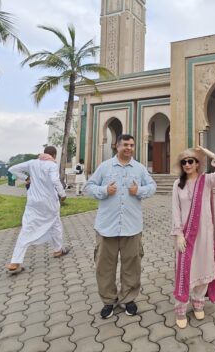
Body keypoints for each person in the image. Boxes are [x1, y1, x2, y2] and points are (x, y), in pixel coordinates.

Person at [84, 134, 157, 319]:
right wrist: (103, 191)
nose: (129, 148)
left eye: (132, 145)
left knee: (132, 264)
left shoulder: (139, 168)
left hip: (132, 226)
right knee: (104, 266)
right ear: (117, 146)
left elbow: (153, 186)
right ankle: (108, 301)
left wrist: (138, 191)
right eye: (125, 144)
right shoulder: (105, 167)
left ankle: (128, 298)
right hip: (106, 226)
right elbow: (88, 186)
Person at [171, 145, 215, 329]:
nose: (187, 165)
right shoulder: (177, 184)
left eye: (190, 161)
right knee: (186, 267)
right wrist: (178, 234)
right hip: (186, 234)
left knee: (203, 264)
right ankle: (181, 307)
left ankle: (198, 301)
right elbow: (175, 210)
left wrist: (208, 152)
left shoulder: (207, 181)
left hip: (204, 232)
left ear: (197, 164)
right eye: (184, 162)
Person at [5, 146, 69, 275]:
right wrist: (62, 194)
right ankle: (57, 250)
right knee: (55, 223)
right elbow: (55, 180)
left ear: (44, 153)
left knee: (27, 228)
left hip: (33, 202)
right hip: (49, 202)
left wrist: (25, 178)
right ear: (54, 155)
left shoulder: (32, 163)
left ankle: (15, 262)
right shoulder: (52, 165)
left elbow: (12, 169)